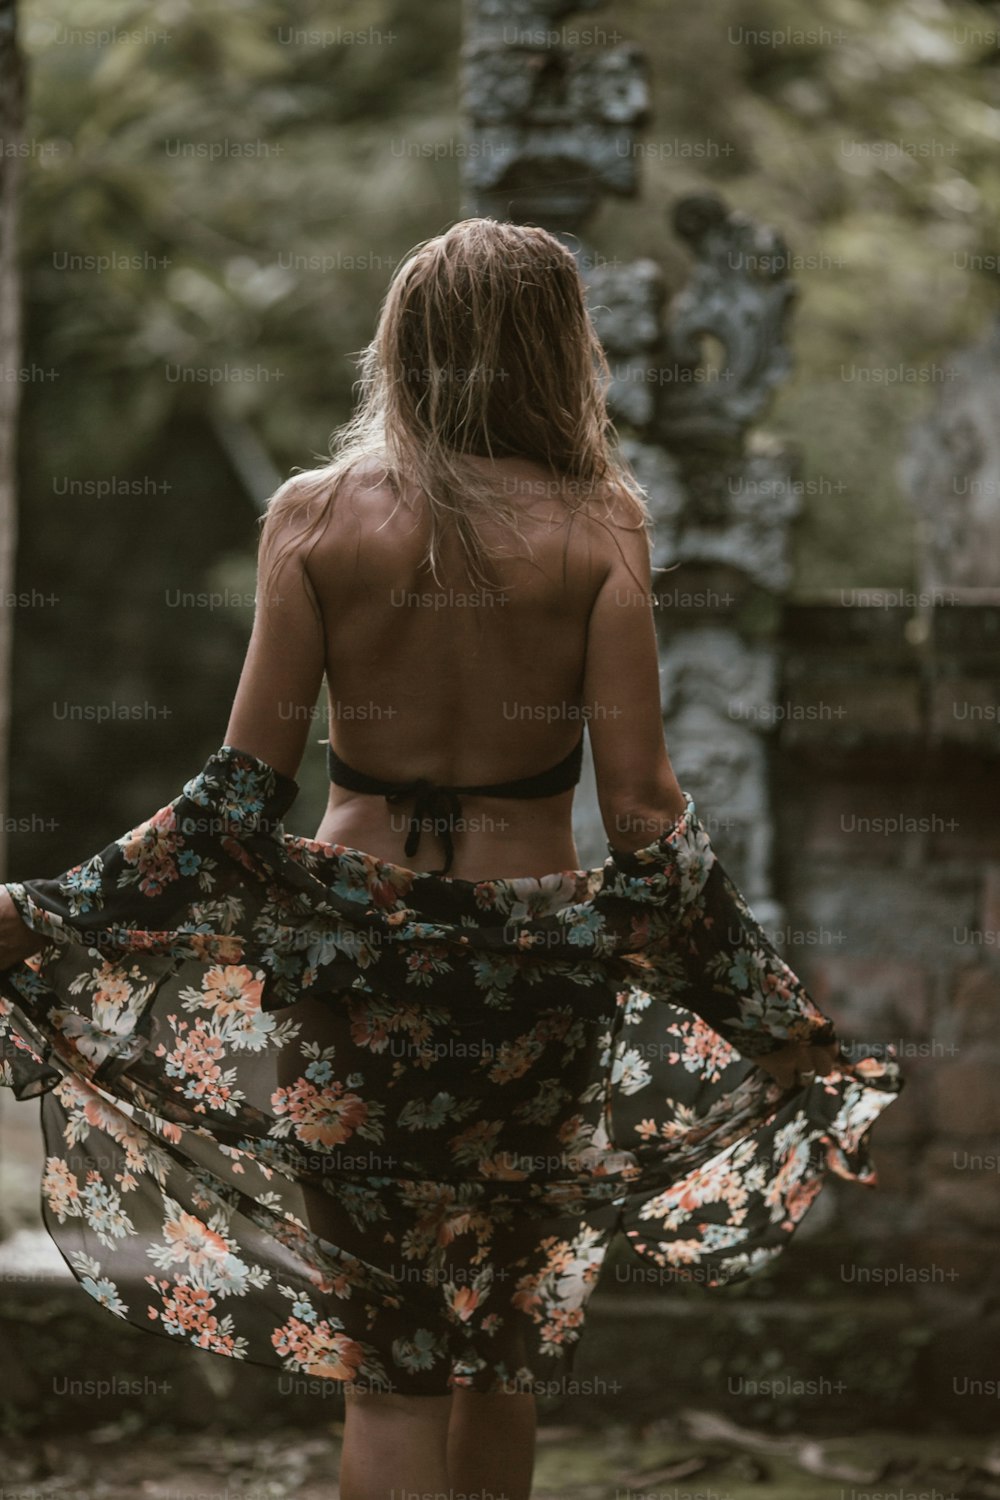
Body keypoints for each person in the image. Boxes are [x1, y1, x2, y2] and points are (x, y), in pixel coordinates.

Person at [0, 218, 895, 1500]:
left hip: (351, 961)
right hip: (535, 976)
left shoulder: (313, 520)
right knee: (501, 1353)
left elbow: (236, 799)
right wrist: (771, 1019)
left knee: (389, 1359)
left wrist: (45, 912)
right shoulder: (599, 526)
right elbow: (643, 814)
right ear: (556, 354)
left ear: (405, 350)